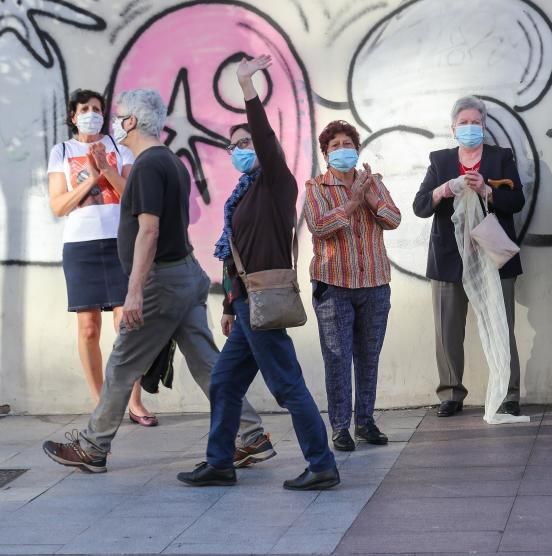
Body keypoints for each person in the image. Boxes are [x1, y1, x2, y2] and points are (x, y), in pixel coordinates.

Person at [42, 88, 270, 473]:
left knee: (121, 364)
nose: (114, 123)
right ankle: (252, 435)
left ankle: (93, 447)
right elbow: (139, 201)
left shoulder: (148, 165)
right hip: (184, 276)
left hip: (160, 284)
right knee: (209, 365)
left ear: (131, 122)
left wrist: (134, 291)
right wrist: (106, 169)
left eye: (119, 117)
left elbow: (148, 230)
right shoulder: (168, 162)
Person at [177, 55, 340, 490]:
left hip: (264, 301)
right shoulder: (242, 196)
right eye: (233, 146)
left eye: (245, 143)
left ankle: (322, 464)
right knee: (226, 382)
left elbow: (265, 139)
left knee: (287, 387)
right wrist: (230, 304)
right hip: (247, 303)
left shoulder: (275, 184)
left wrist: (247, 86)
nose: (238, 151)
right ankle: (219, 462)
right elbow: (235, 255)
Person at [47, 88, 156, 426]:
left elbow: (131, 196)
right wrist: (91, 177)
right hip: (80, 248)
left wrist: (107, 169)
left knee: (129, 325)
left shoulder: (116, 147)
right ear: (73, 116)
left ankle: (133, 401)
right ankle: (102, 404)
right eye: (85, 109)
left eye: (97, 108)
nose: (91, 113)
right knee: (89, 328)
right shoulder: (61, 151)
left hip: (119, 243)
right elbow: (59, 205)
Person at [413, 95, 524, 418]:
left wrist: (489, 191)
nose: (471, 128)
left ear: (484, 126)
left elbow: (517, 200)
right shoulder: (440, 161)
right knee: (448, 330)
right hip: (449, 258)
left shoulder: (501, 158)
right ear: (453, 128)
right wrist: (445, 189)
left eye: (476, 122)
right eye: (464, 123)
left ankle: (510, 392)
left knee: (502, 324)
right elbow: (421, 206)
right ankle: (450, 392)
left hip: (492, 254)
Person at [304, 120, 400, 452]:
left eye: (348, 144)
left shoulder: (371, 183)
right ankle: (340, 427)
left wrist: (371, 198)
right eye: (335, 146)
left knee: (368, 357)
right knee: (338, 359)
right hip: (334, 286)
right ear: (326, 153)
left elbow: (394, 219)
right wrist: (351, 203)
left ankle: (366, 422)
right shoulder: (316, 187)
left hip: (374, 283)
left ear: (357, 149)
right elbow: (318, 226)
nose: (343, 150)